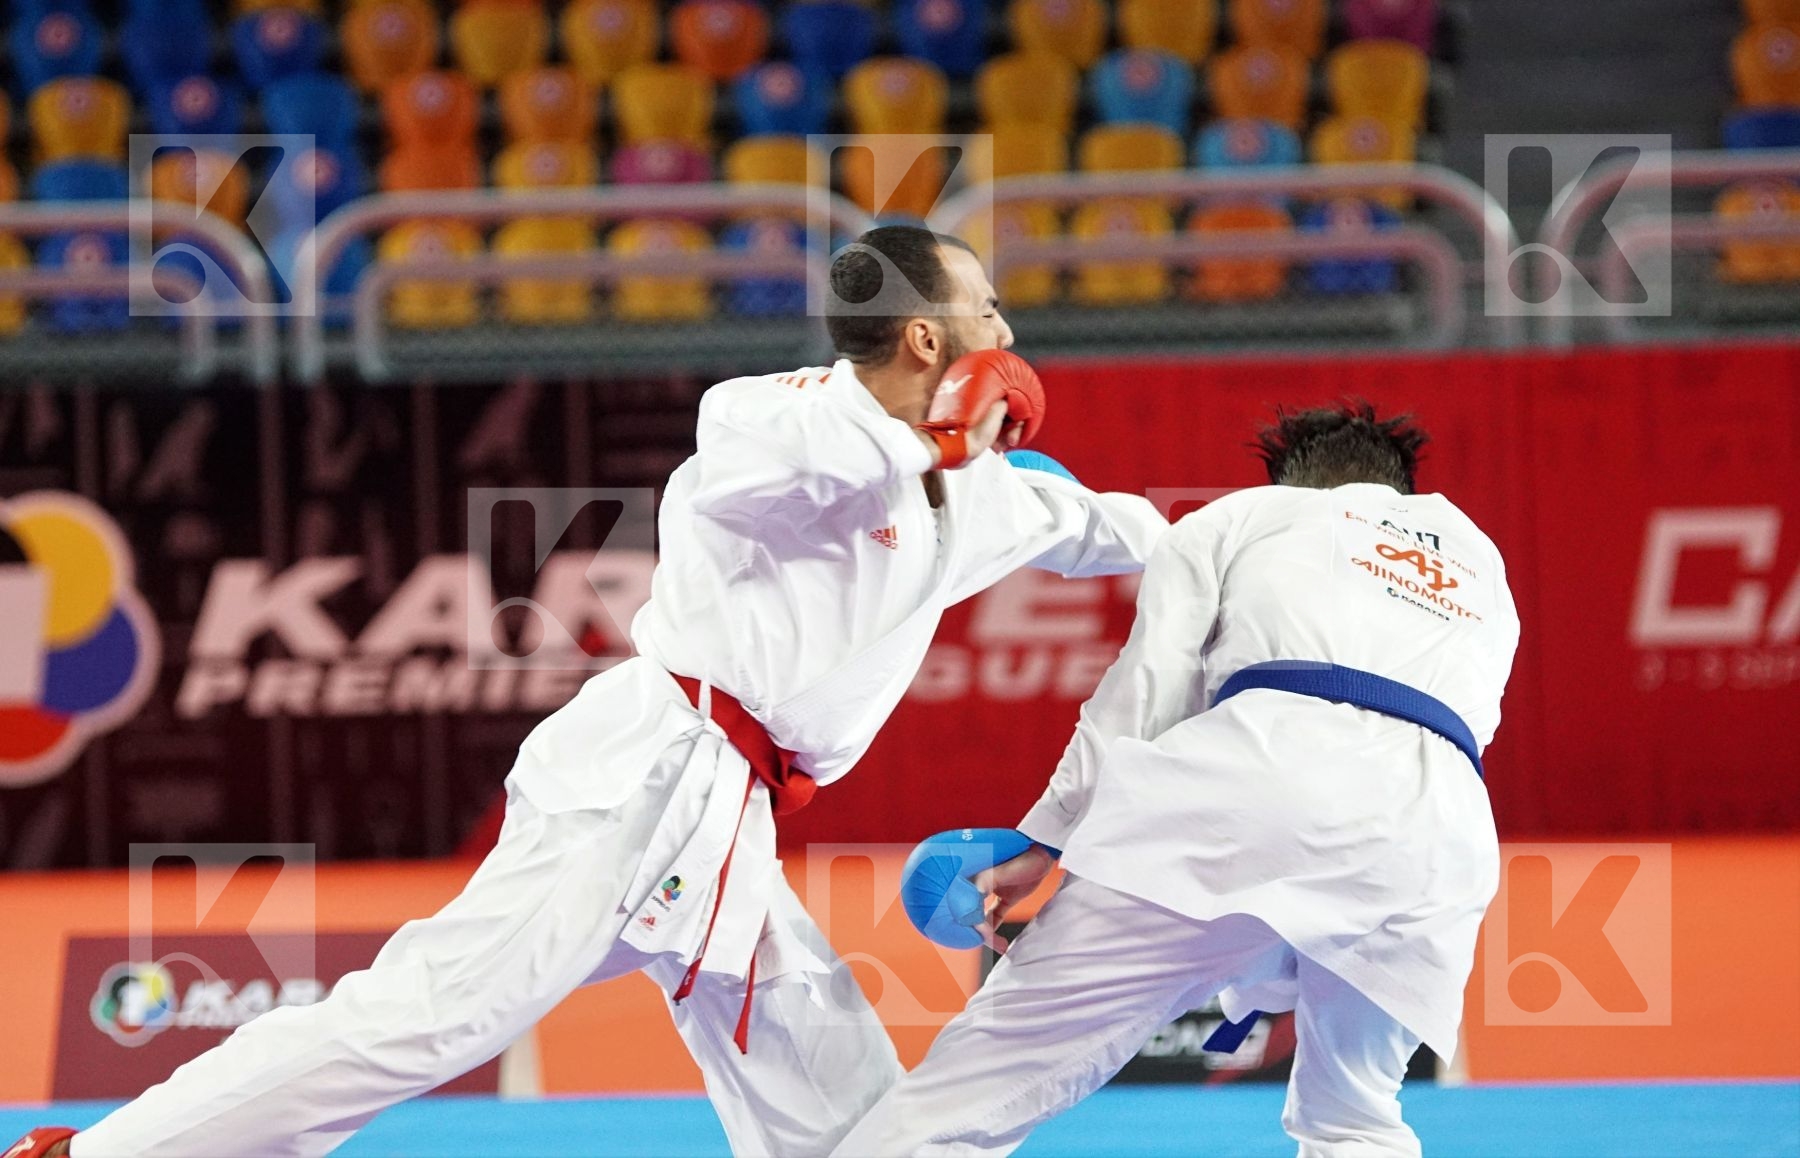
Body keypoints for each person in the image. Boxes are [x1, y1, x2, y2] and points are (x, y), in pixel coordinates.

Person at [11, 226, 1166, 1158]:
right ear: (925, 337)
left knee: (831, 1081)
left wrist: (1314, 525)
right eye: (987, 309)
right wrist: (944, 440)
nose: (1009, 327)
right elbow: (827, 452)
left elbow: (1138, 534)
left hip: (732, 819)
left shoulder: (996, 495)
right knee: (428, 1017)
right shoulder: (765, 414)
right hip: (649, 775)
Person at [834, 402, 1521, 1158]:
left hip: (1255, 792)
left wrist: (1046, 837)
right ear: (1400, 489)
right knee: (1355, 1119)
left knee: (971, 1089)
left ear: (1294, 482)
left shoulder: (1245, 516)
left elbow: (1148, 691)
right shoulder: (1479, 563)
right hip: (1440, 840)